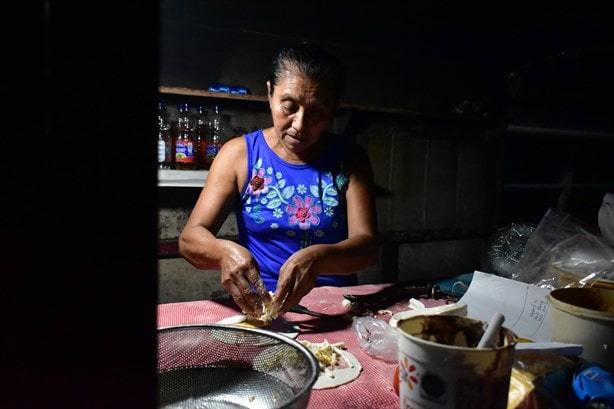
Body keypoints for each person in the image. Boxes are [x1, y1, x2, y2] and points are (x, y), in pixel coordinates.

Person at [178, 42, 378, 318]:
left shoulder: (350, 158)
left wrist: (318, 259)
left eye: (318, 112)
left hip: (336, 308)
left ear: (333, 110)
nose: (300, 124)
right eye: (289, 106)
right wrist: (223, 252)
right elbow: (190, 240)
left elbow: (367, 247)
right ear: (270, 93)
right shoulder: (239, 155)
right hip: (262, 307)